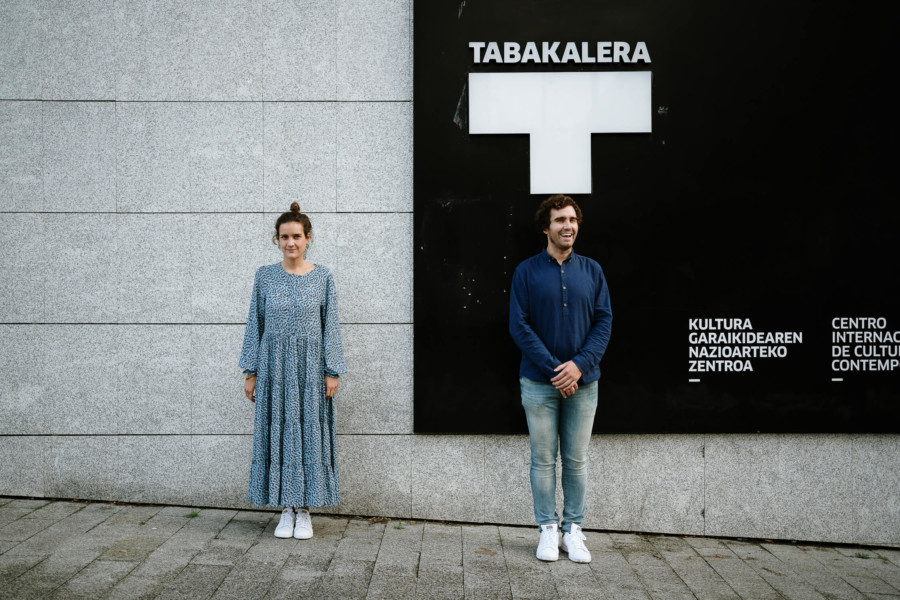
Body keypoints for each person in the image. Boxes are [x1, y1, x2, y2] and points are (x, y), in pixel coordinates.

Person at [509, 194, 612, 563]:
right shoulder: (526, 271)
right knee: (542, 460)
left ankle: (573, 531)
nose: (567, 226)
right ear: (546, 227)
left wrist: (579, 366)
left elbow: (604, 321)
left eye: (572, 220)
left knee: (576, 460)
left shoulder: (593, 271)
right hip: (538, 384)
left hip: (584, 383)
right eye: (559, 220)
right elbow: (518, 327)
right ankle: (547, 531)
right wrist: (557, 369)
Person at [239, 202, 347, 539]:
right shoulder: (264, 276)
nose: (291, 242)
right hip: (274, 370)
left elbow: (331, 326)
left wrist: (332, 370)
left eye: (297, 236)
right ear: (276, 239)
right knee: (279, 434)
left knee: (309, 436)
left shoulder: (323, 276)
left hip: (311, 370)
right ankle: (286, 508)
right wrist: (251, 371)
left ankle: (306, 509)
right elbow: (254, 324)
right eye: (284, 236)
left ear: (308, 238)